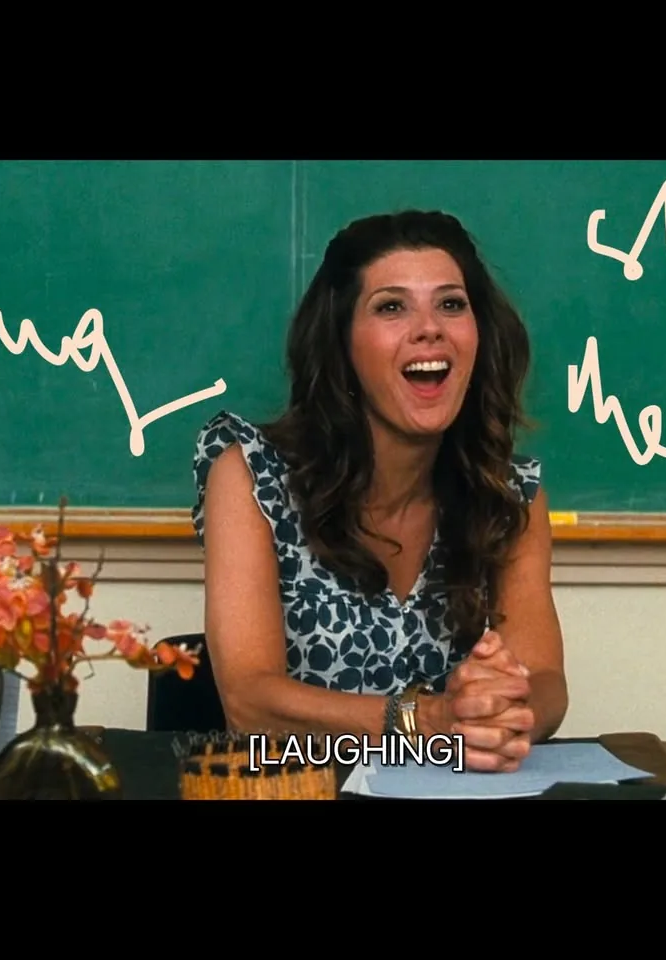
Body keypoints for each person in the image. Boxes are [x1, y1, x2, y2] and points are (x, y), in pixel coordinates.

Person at [192, 210, 567, 772]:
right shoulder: (251, 473)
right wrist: (426, 721)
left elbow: (546, 680)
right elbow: (250, 702)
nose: (429, 328)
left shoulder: (509, 495)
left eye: (451, 304)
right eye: (392, 307)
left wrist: (504, 713)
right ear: (341, 344)